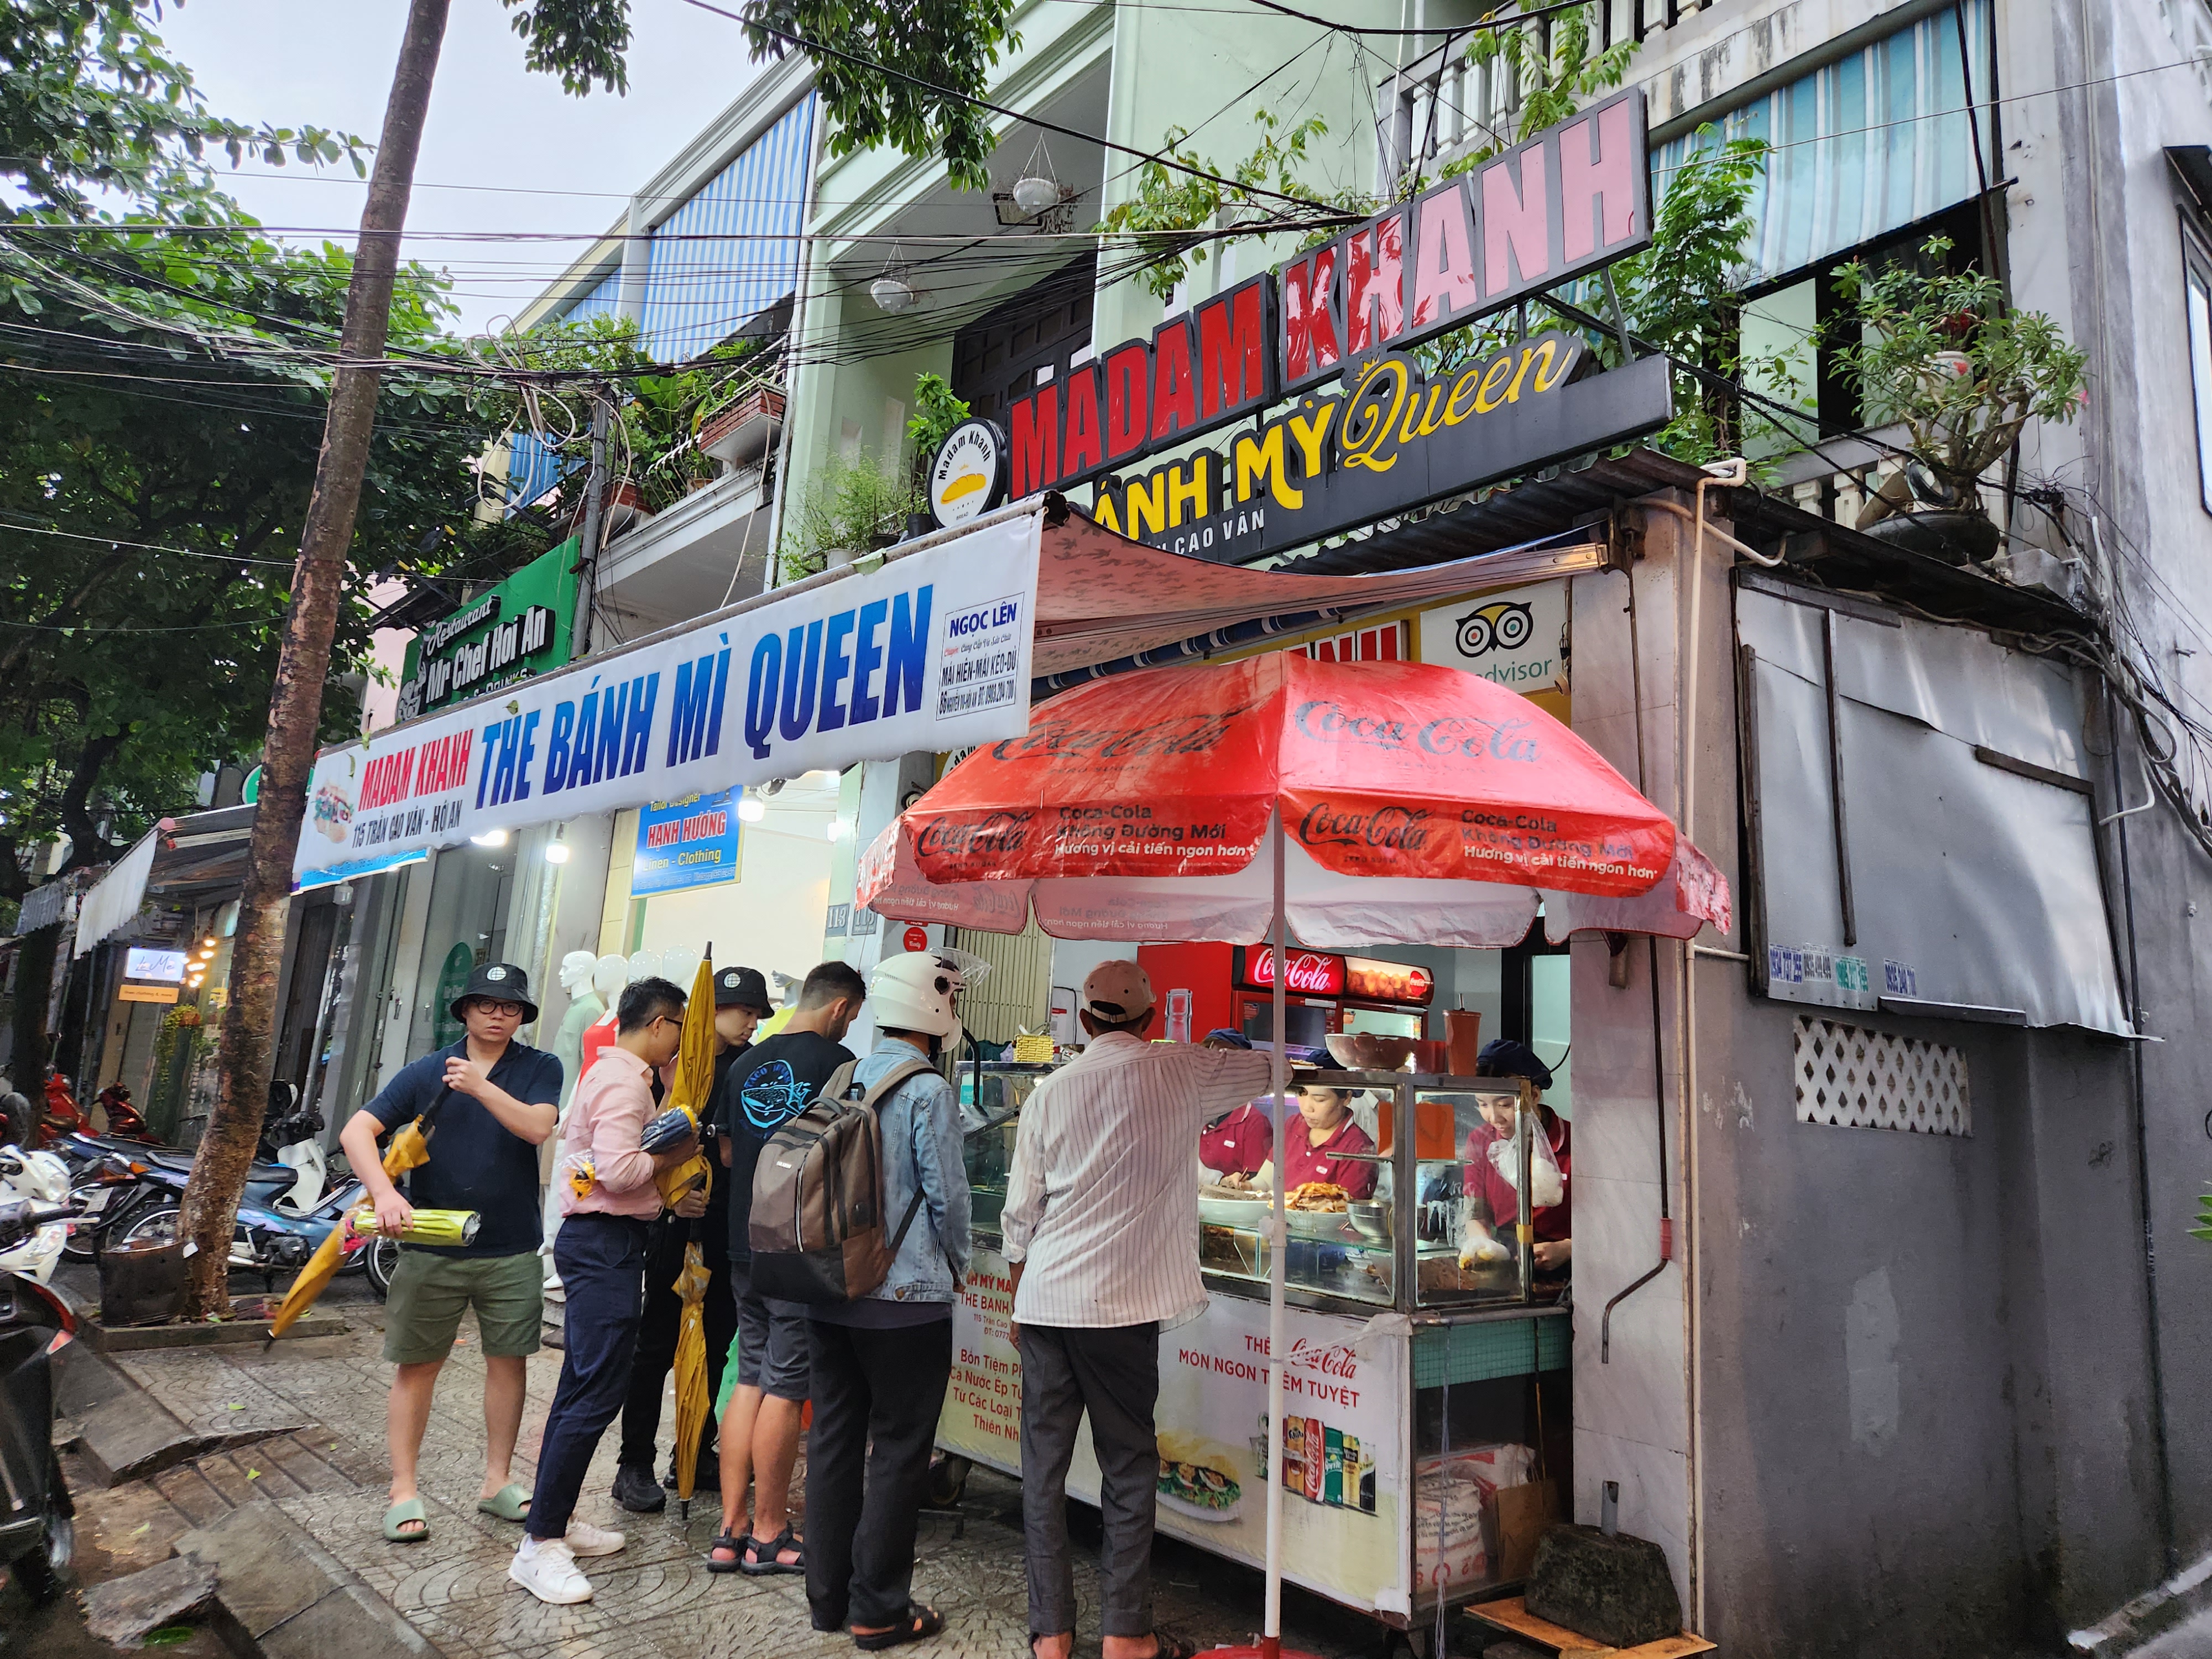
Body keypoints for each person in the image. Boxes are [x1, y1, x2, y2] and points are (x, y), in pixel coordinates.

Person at [1003, 961, 1273, 1659]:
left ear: (1084, 1020)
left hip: (1047, 1300)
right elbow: (1273, 1071)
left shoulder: (1049, 1091)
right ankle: (1126, 1636)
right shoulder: (1183, 1068)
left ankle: (1051, 1634)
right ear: (1151, 1019)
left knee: (1042, 1470)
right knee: (1127, 1466)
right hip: (1121, 1310)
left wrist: (1017, 1300)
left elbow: (1019, 1217)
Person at [339, 962, 563, 1547]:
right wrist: (385, 1193)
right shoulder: (426, 1070)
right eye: (486, 1004)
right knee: (417, 1367)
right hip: (431, 1246)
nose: (498, 1016)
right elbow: (356, 1132)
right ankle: (403, 1490)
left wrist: (481, 1086)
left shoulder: (539, 1067)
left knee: (509, 1362)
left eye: (510, 1007)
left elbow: (538, 1129)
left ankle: (497, 1481)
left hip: (511, 1246)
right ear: (464, 1010)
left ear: (522, 1016)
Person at [510, 975, 703, 1605]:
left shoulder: (613, 1072)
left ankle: (555, 1517)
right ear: (659, 1024)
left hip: (602, 1242)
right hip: (604, 1243)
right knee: (596, 1392)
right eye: (679, 1028)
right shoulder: (624, 1083)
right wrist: (676, 1154)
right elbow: (619, 1172)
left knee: (580, 1386)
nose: (680, 1042)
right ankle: (539, 1546)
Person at [802, 951, 973, 1648]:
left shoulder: (845, 1075)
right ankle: (878, 1609)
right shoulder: (928, 1089)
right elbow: (948, 1197)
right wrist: (958, 1267)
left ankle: (827, 1599)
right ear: (934, 1007)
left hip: (830, 1288)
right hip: (906, 1299)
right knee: (901, 1450)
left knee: (834, 1440)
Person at [706, 959, 868, 1578]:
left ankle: (730, 1529)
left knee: (749, 1374)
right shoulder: (838, 1064)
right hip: (798, 1246)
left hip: (742, 1240)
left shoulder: (744, 1062)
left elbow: (726, 1153)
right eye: (851, 1015)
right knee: (785, 1383)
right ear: (840, 1008)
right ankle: (770, 1532)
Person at [611, 964, 773, 1512]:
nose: (751, 1023)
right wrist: (673, 1195)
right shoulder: (674, 1067)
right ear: (713, 1010)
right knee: (656, 1345)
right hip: (674, 1227)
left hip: (728, 1227)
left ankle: (695, 1451)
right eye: (744, 1012)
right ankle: (633, 1463)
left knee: (716, 1343)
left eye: (756, 1014)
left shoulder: (755, 1068)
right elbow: (641, 1145)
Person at [1463, 1039, 1571, 1274]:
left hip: (1568, 1269)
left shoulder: (1576, 1142)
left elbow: (1608, 1222)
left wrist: (1568, 1248)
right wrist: (1482, 1244)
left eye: (1504, 1105)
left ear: (1534, 1095)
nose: (1494, 1118)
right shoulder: (1480, 1141)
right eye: (1483, 1105)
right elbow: (1475, 1212)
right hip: (1505, 1264)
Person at [1232, 1084, 1378, 1201]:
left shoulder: (1359, 1150)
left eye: (1319, 1100)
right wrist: (1247, 1186)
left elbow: (1345, 1210)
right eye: (1301, 1095)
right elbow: (1267, 1181)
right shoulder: (1293, 1125)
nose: (1307, 1108)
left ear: (1346, 1098)